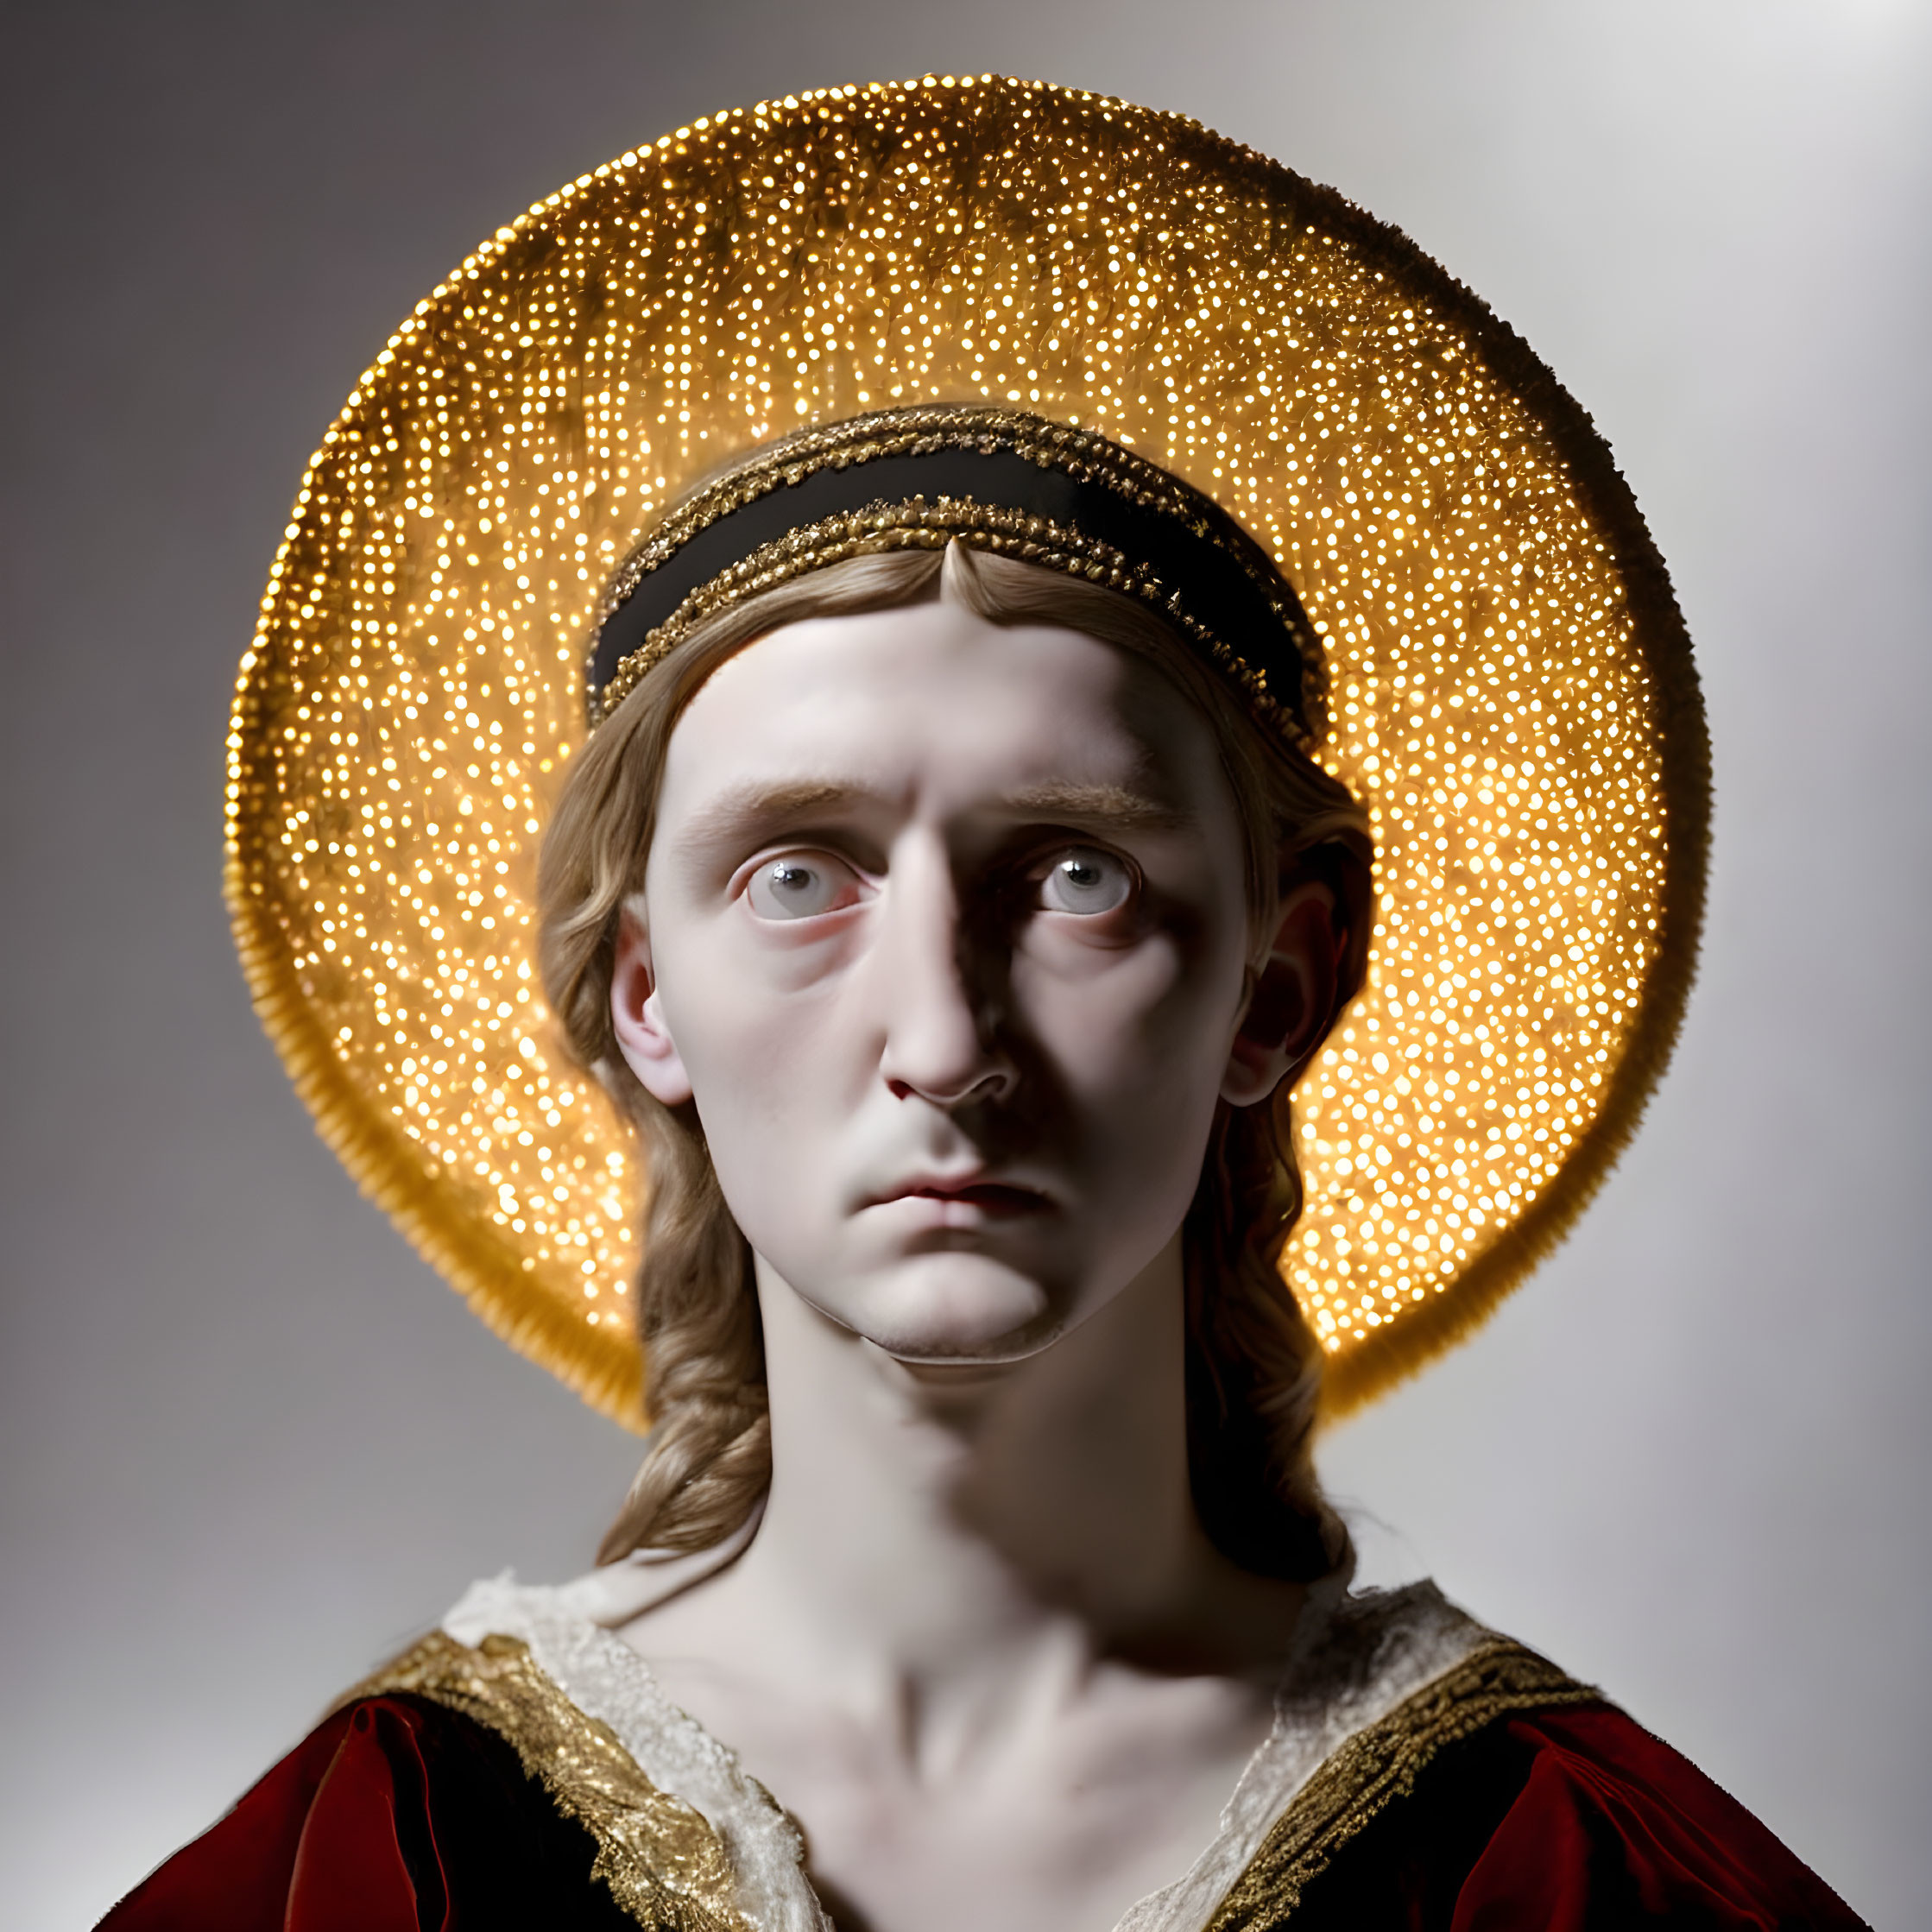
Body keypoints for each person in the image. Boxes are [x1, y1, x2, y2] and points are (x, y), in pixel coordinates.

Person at [102, 79, 1866, 1931]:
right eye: (801, 876)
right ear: (646, 998)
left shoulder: (1573, 1875)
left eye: (1078, 878)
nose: (943, 1042)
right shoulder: (390, 1857)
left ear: (1281, 987)